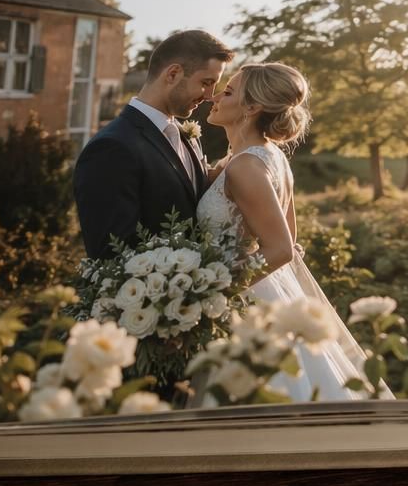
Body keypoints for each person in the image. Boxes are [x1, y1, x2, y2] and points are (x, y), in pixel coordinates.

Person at [197, 62, 367, 402]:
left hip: (241, 300)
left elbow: (282, 249)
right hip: (270, 294)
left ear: (252, 107)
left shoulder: (246, 165)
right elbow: (290, 236)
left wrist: (212, 295)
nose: (215, 96)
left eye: (227, 91)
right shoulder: (267, 158)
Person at [74, 30, 232, 259]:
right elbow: (111, 253)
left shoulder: (188, 136)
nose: (209, 96)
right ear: (173, 74)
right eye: (206, 83)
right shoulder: (111, 147)